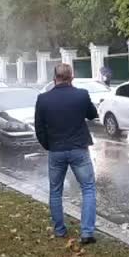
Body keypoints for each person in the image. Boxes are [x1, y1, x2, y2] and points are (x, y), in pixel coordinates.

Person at [34, 63, 99, 245]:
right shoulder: (81, 95)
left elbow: (39, 128)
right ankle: (87, 233)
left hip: (56, 150)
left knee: (55, 191)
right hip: (79, 149)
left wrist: (49, 145)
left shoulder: (43, 99)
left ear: (55, 78)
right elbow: (92, 114)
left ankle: (59, 230)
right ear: (71, 76)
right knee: (88, 189)